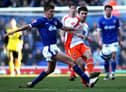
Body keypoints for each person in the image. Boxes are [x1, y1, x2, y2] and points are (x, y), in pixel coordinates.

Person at [4, 4, 99, 88]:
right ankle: (88, 80)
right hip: (49, 48)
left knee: (50, 70)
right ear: (45, 12)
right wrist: (13, 31)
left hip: (54, 47)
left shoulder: (55, 21)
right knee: (72, 62)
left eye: (53, 11)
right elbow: (27, 26)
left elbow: (63, 27)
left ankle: (32, 83)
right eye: (51, 11)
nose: (52, 13)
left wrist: (74, 29)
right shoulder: (41, 21)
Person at [63, 6, 100, 87]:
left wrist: (87, 38)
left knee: (89, 53)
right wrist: (76, 33)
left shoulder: (86, 25)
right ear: (78, 14)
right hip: (71, 46)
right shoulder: (75, 21)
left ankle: (90, 73)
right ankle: (85, 81)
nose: (84, 15)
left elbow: (83, 36)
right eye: (82, 13)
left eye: (85, 14)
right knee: (81, 64)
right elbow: (65, 29)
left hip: (80, 44)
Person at [97, 5, 123, 80]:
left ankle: (113, 73)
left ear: (111, 11)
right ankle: (107, 74)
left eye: (109, 10)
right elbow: (99, 31)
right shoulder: (101, 20)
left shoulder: (115, 19)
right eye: (107, 10)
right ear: (105, 11)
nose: (108, 11)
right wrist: (99, 40)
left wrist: (120, 40)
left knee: (113, 56)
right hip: (105, 42)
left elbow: (118, 30)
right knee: (106, 58)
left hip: (114, 41)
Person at [60, 3, 78, 81]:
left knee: (75, 57)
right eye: (72, 8)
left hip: (77, 40)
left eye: (74, 8)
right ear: (69, 9)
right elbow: (61, 28)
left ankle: (72, 74)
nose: (73, 10)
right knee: (69, 58)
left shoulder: (78, 18)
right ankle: (72, 72)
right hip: (68, 41)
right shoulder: (65, 18)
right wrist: (62, 36)